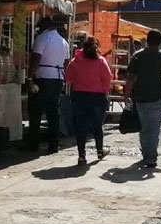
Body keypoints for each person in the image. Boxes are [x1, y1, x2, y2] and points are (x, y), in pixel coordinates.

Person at [124, 30, 161, 168]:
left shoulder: (137, 56)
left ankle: (146, 154)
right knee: (154, 129)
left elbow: (130, 79)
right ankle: (151, 157)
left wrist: (126, 96)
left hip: (140, 97)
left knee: (144, 128)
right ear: (160, 42)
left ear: (147, 40)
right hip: (157, 97)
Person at [65, 37, 112, 166]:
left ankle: (81, 155)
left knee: (81, 126)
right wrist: (104, 91)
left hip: (79, 97)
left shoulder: (76, 61)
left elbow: (68, 78)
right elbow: (107, 79)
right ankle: (100, 150)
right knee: (97, 125)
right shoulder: (101, 61)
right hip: (97, 97)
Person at [27, 17, 70, 153]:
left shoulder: (42, 38)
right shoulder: (64, 42)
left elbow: (36, 58)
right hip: (57, 78)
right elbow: (67, 62)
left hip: (43, 77)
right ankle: (53, 144)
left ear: (45, 26)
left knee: (35, 111)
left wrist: (29, 78)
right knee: (53, 112)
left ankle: (33, 144)